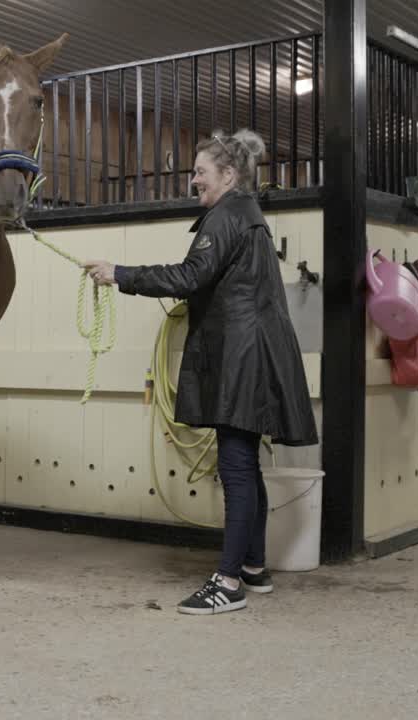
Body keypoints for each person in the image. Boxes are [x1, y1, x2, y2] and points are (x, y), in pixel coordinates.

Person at [82, 129, 317, 616]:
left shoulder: (226, 215)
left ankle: (227, 582)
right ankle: (253, 565)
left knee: (234, 466)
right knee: (246, 463)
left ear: (228, 176)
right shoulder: (246, 215)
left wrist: (119, 274)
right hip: (254, 352)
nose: (194, 181)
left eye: (200, 173)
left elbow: (190, 277)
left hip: (242, 357)